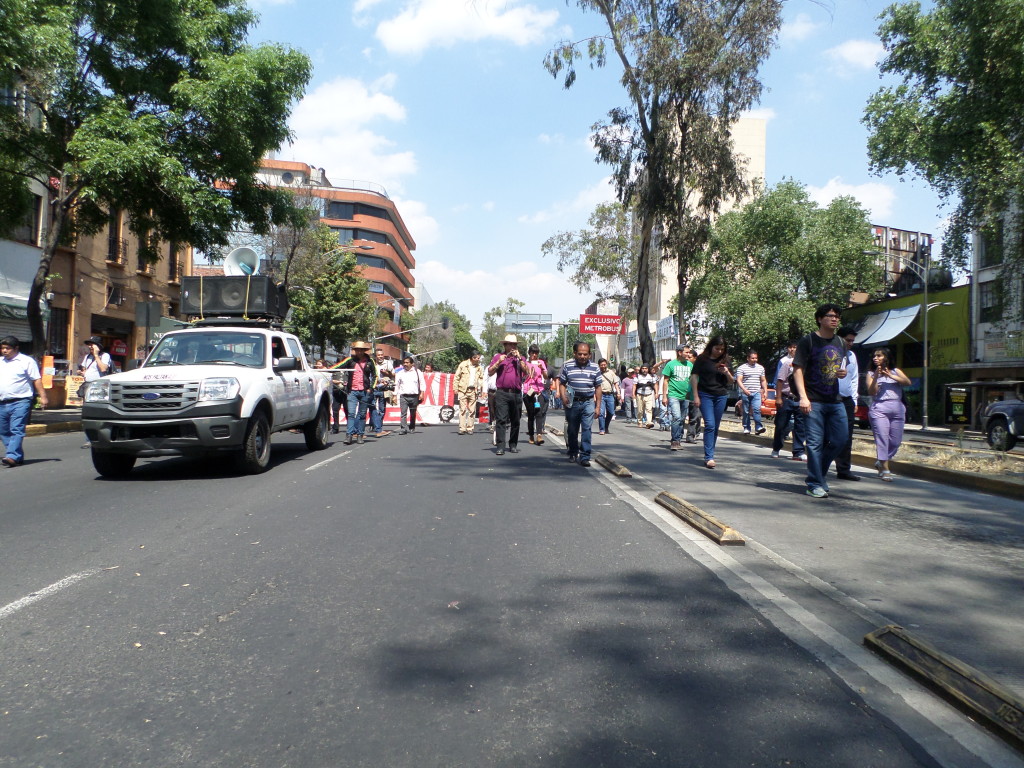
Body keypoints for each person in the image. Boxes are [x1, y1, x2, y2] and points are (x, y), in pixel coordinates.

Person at [792, 304, 849, 498]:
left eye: (837, 317)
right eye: (830, 316)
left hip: (834, 399)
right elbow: (797, 369)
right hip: (813, 400)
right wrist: (803, 397)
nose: (834, 319)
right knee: (815, 443)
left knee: (841, 439)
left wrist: (843, 373)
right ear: (819, 319)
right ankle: (814, 482)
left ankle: (819, 475)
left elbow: (841, 367)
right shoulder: (808, 341)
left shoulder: (841, 342)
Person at [0, 336, 48, 467]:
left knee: (17, 429)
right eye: (3, 348)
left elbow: (36, 379)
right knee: (3, 430)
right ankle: (17, 456)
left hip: (21, 401)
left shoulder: (26, 361)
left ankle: (12, 455)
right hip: (2, 402)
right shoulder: (1, 362)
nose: (4, 351)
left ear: (16, 348)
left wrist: (43, 396)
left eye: (8, 348)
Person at [866, 347, 911, 482]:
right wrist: (876, 377)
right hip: (879, 408)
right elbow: (871, 392)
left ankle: (881, 460)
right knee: (882, 439)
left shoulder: (896, 371)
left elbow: (907, 382)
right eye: (874, 356)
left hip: (897, 407)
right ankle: (885, 469)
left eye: (879, 356)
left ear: (886, 357)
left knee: (895, 442)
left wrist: (891, 376)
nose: (876, 358)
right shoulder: (870, 373)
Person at [690, 337, 734, 469]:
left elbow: (732, 381)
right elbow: (693, 377)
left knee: (715, 426)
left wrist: (726, 373)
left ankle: (710, 453)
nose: (719, 351)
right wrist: (696, 396)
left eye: (722, 349)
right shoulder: (702, 359)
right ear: (711, 347)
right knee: (709, 424)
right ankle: (708, 457)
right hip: (705, 395)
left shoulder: (726, 360)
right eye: (717, 348)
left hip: (721, 396)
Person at [558, 341, 602, 467]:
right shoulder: (568, 366)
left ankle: (585, 456)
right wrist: (563, 397)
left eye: (585, 354)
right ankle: (572, 451)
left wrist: (598, 406)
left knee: (587, 429)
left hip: (588, 402)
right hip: (573, 403)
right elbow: (562, 383)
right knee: (572, 429)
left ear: (589, 355)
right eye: (580, 354)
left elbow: (598, 387)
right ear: (575, 353)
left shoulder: (595, 368)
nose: (582, 356)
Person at [488, 334, 528, 455]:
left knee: (516, 420)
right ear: (505, 345)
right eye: (510, 344)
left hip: (516, 393)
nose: (512, 347)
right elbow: (490, 372)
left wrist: (519, 359)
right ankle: (500, 446)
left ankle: (513, 444)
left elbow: (526, 371)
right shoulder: (499, 357)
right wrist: (498, 363)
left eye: (514, 345)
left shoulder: (520, 358)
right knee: (501, 420)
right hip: (502, 392)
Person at [333, 340, 379, 445]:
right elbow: (338, 366)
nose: (359, 352)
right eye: (357, 350)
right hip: (352, 391)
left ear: (364, 351)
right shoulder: (350, 360)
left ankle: (360, 435)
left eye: (361, 350)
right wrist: (326, 370)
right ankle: (349, 435)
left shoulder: (370, 361)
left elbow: (375, 375)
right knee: (351, 414)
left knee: (362, 414)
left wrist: (371, 388)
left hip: (364, 391)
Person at [832, 327, 861, 481]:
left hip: (847, 399)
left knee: (846, 436)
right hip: (830, 398)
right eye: (848, 340)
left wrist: (854, 399)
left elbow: (854, 378)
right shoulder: (830, 353)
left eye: (852, 341)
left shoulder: (852, 356)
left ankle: (844, 469)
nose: (850, 343)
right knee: (827, 435)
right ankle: (820, 466)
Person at [771, 341, 806, 461]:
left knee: (800, 426)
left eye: (796, 347)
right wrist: (779, 397)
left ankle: (798, 451)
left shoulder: (805, 364)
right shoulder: (787, 363)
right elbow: (780, 381)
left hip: (800, 399)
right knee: (781, 425)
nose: (794, 350)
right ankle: (776, 448)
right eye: (791, 348)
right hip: (787, 398)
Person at [78, 336, 112, 448]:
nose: (90, 346)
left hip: (99, 387)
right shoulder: (88, 357)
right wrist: (82, 372)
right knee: (87, 414)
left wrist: (97, 355)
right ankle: (89, 439)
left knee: (98, 413)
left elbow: (103, 369)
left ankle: (101, 438)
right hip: (87, 385)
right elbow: (84, 369)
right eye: (89, 344)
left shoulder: (104, 356)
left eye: (92, 344)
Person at [660, 344, 694, 451]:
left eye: (689, 352)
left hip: (686, 396)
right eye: (687, 352)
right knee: (677, 417)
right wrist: (664, 396)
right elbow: (665, 381)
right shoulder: (670, 364)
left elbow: (692, 380)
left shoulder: (690, 365)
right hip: (673, 395)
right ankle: (674, 441)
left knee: (682, 419)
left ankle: (678, 439)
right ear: (680, 352)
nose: (689, 354)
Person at [735, 350, 768, 435]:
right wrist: (744, 390)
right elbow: (739, 380)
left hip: (756, 392)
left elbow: (763, 380)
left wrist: (765, 391)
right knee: (746, 411)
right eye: (753, 358)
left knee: (757, 409)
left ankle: (758, 427)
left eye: (756, 358)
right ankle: (746, 427)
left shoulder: (760, 368)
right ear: (748, 358)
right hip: (745, 393)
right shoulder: (742, 368)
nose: (755, 360)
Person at [454, 350, 486, 434]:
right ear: (473, 357)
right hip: (463, 390)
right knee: (463, 409)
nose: (479, 359)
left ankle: (470, 428)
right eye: (477, 358)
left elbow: (481, 378)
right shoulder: (463, 365)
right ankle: (462, 428)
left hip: (473, 391)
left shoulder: (479, 368)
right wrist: (455, 388)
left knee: (472, 410)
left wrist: (479, 387)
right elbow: (457, 376)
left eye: (479, 358)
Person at [522, 344, 549, 445]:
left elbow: (546, 377)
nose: (534, 355)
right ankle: (531, 435)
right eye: (532, 353)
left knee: (539, 413)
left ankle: (539, 434)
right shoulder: (525, 363)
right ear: (529, 353)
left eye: (536, 353)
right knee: (531, 414)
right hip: (528, 391)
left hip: (539, 391)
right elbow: (523, 374)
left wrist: (542, 368)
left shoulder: (541, 362)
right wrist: (528, 370)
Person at [394, 355, 426, 434]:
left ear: (412, 364)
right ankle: (403, 428)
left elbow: (422, 383)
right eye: (404, 362)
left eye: (407, 363)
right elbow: (396, 385)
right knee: (403, 413)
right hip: (403, 396)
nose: (405, 364)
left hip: (414, 396)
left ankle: (412, 427)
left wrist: (422, 393)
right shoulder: (400, 373)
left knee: (413, 413)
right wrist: (395, 395)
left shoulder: (417, 372)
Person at [368, 348, 394, 438]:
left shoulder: (388, 363)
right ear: (376, 356)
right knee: (373, 408)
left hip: (384, 390)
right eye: (378, 355)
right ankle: (376, 426)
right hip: (374, 389)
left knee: (382, 410)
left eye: (381, 355)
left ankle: (378, 426)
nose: (380, 357)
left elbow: (393, 375)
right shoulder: (372, 363)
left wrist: (386, 373)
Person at [682, 347, 703, 443]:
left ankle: (692, 434)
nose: (687, 359)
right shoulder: (684, 367)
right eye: (687, 357)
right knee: (682, 417)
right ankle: (682, 434)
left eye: (690, 357)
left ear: (695, 358)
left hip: (698, 396)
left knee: (696, 417)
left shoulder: (700, 368)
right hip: (685, 395)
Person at [596, 358, 620, 435]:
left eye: (604, 364)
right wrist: (594, 396)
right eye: (601, 365)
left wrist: (618, 393)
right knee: (601, 413)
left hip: (610, 395)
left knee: (611, 412)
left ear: (606, 364)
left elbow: (616, 383)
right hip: (601, 395)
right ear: (599, 365)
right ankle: (602, 429)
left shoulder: (611, 372)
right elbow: (594, 386)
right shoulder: (597, 373)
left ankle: (606, 426)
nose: (603, 366)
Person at [634, 364, 657, 428]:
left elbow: (655, 385)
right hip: (640, 395)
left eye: (646, 368)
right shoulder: (638, 376)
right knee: (640, 410)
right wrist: (633, 394)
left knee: (649, 409)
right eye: (643, 368)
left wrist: (656, 393)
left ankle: (648, 422)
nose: (644, 370)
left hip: (649, 394)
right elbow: (634, 386)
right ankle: (640, 422)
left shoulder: (652, 376)